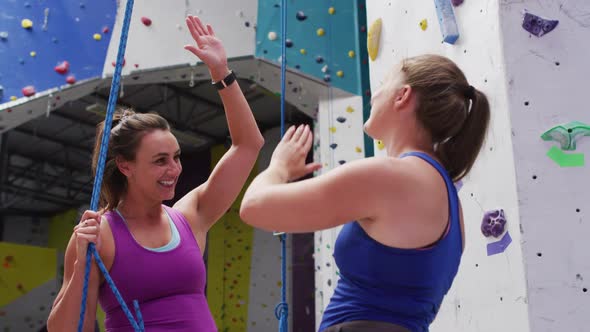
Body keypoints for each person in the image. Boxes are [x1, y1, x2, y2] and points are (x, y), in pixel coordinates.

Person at [239, 54, 490, 332]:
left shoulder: (391, 177)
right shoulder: (447, 197)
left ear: (402, 95)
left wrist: (279, 168)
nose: (375, 94)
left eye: (384, 83)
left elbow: (254, 206)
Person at [47, 15, 264, 331]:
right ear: (125, 165)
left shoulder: (189, 217)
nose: (174, 169)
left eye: (176, 157)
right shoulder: (99, 234)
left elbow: (248, 145)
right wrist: (82, 263)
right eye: (160, 160)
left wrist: (221, 73)